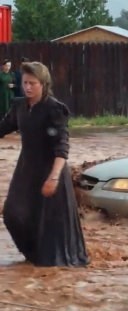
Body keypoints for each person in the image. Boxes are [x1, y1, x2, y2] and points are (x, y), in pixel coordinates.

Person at [0, 62, 89, 267]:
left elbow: (62, 147)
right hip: (26, 169)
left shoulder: (54, 109)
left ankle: (51, 263)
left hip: (51, 170)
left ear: (44, 84)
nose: (28, 87)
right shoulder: (19, 106)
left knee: (50, 222)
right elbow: (2, 128)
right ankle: (32, 254)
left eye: (33, 83)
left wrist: (54, 177)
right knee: (13, 215)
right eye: (25, 83)